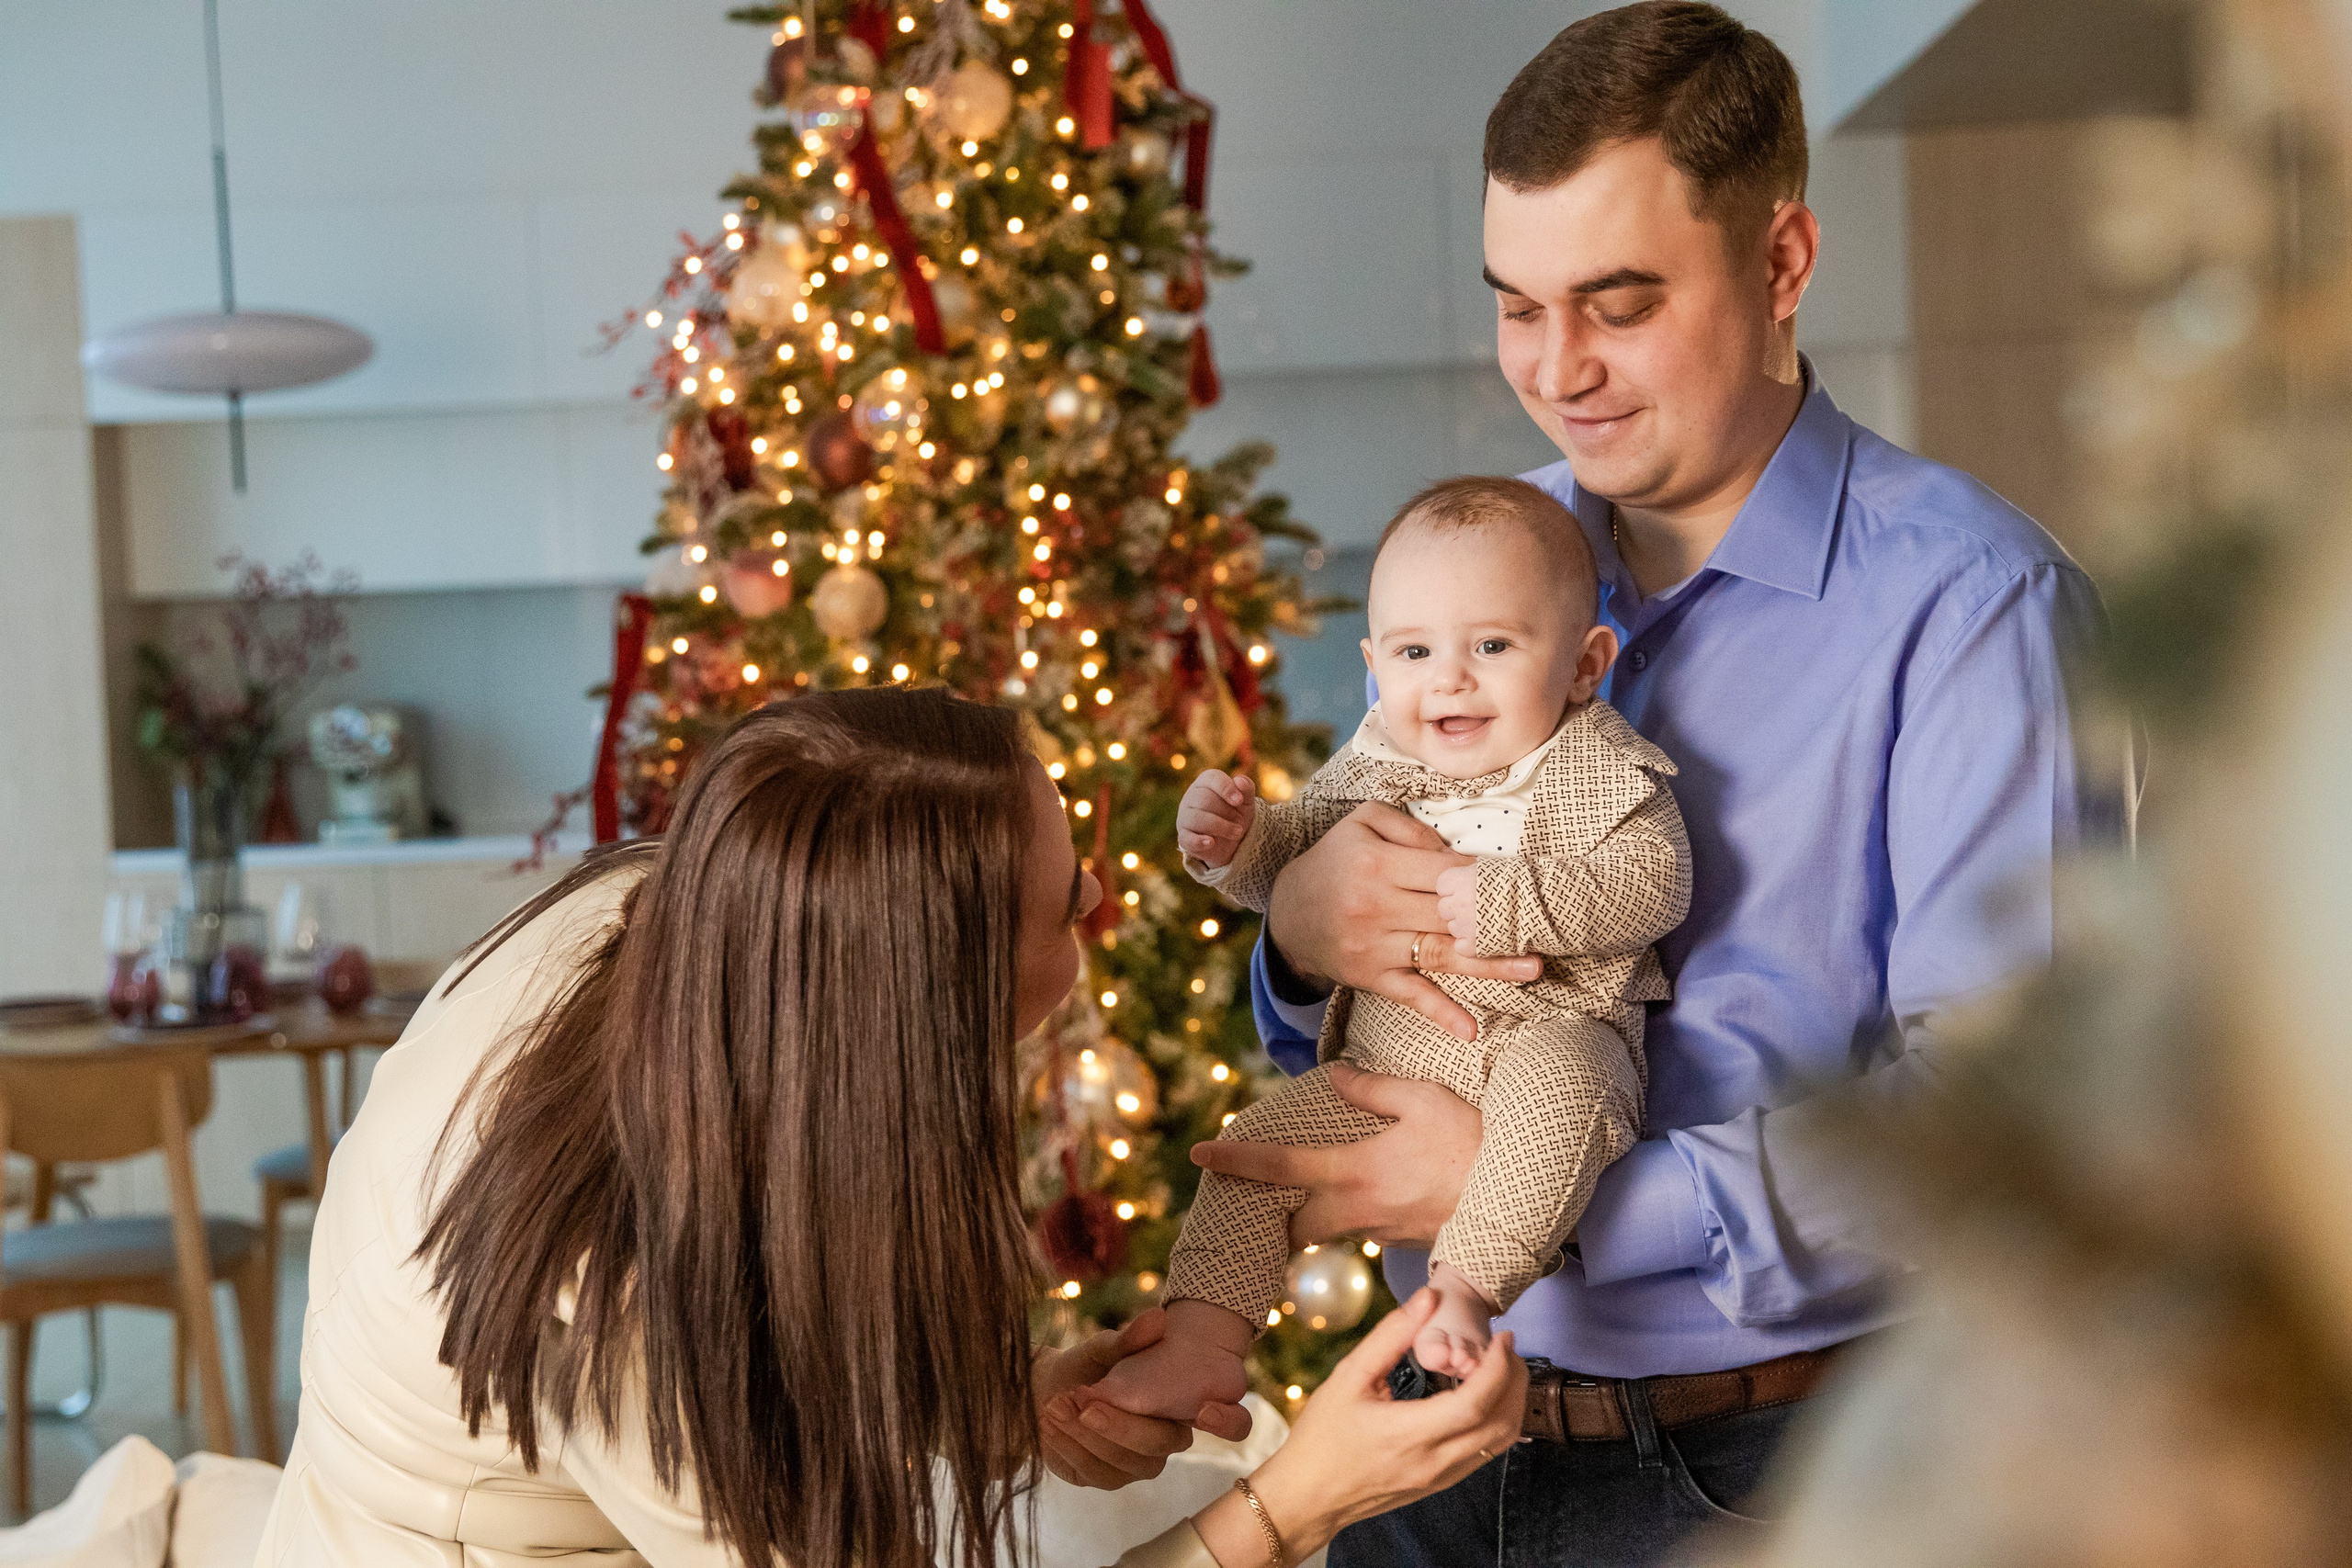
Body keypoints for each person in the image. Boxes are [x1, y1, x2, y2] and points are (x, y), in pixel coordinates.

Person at [1199, 5, 2105, 1563]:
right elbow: (1340, 958)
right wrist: (1299, 936)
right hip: (1424, 1437)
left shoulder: (1976, 606)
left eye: (1618, 305)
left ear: (1783, 264)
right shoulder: (1474, 562)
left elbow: (2003, 1123)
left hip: (1780, 1467)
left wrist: (1556, 1202)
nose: (1560, 372)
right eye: (1519, 307)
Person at [252, 689, 1525, 1568]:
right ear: (921, 1003)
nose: (1099, 891)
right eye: (1059, 906)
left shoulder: (697, 923)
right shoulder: (627, 1286)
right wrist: (1299, 1500)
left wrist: (990, 1411)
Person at [1088, 476, 1689, 1420]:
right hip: (1392, 1062)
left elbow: (1654, 884)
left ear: (1584, 663)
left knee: (1566, 1092)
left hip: (1549, 1031)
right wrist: (1239, 843)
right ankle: (1201, 1342)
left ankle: (1468, 1283)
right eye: (1414, 652)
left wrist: (1510, 901)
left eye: (1491, 646)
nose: (1447, 679)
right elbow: (1290, 870)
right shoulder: (1377, 761)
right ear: (1376, 662)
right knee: (1250, 1158)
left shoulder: (1605, 769)